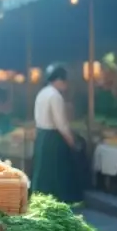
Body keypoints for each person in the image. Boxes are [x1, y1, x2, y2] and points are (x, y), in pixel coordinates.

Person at [32, 65, 80, 202]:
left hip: (42, 135)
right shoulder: (55, 96)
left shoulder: (42, 93)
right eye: (65, 81)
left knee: (42, 171)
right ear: (59, 80)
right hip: (53, 138)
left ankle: (40, 200)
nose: (66, 85)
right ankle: (57, 201)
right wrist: (71, 141)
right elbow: (61, 124)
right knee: (55, 172)